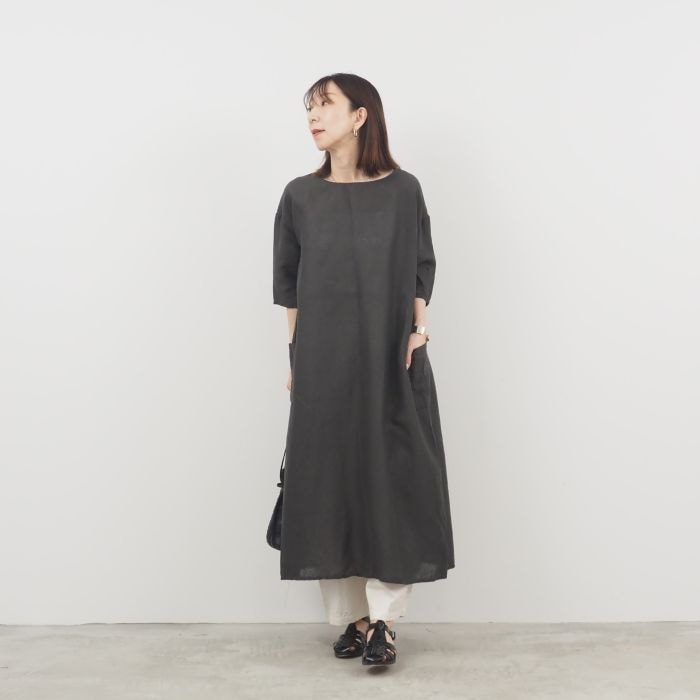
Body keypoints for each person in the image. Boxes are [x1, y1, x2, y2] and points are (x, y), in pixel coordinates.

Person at [273, 73, 455, 667]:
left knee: (392, 478)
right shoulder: (300, 196)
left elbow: (421, 265)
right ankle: (355, 618)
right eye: (309, 107)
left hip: (390, 356)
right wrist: (297, 360)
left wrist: (419, 331)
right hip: (323, 362)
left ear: (360, 116)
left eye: (325, 105)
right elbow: (290, 288)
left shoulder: (403, 191)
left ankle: (385, 622)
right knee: (331, 480)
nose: (313, 117)